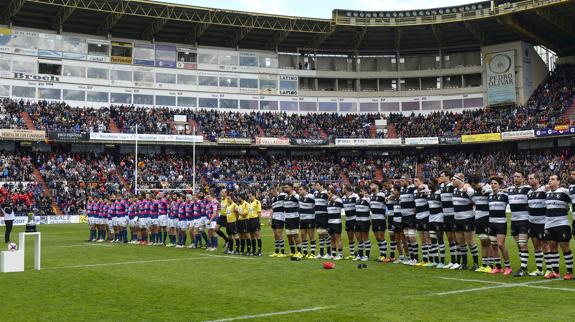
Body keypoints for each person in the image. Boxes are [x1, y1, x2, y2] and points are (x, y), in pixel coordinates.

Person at [543, 174, 573, 280]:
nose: (550, 181)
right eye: (549, 179)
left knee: (565, 248)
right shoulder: (546, 194)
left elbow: (571, 203)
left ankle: (570, 272)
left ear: (559, 181)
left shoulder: (564, 192)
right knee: (552, 247)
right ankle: (555, 272)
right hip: (549, 225)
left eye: (553, 179)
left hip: (561, 224)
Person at [452, 173, 479, 271]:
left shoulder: (469, 190)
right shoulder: (454, 190)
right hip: (457, 219)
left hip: (467, 219)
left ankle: (476, 263)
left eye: (454, 180)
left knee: (470, 241)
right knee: (461, 242)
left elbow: (477, 201)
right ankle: (464, 263)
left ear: (459, 180)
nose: (452, 182)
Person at [507, 171, 531, 277]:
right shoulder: (510, 189)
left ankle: (523, 268)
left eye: (518, 176)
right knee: (519, 245)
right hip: (514, 221)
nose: (515, 178)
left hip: (524, 220)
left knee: (522, 244)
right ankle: (524, 266)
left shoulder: (527, 189)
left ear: (523, 178)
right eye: (514, 176)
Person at [488, 176, 512, 275]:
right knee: (493, 245)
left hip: (501, 223)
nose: (493, 185)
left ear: (499, 185)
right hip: (491, 222)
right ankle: (498, 267)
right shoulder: (489, 195)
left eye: (495, 183)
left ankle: (508, 266)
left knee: (500, 244)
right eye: (492, 183)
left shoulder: (504, 195)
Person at [470, 175, 493, 272]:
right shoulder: (474, 191)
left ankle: (491, 265)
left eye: (474, 185)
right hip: (478, 218)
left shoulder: (487, 187)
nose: (473, 187)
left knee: (488, 241)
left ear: (479, 182)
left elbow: (490, 190)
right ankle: (484, 264)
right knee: (482, 242)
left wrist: (484, 187)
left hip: (486, 217)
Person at [527, 173, 546, 276]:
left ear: (537, 179)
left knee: (545, 246)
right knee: (536, 247)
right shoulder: (529, 192)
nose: (529, 180)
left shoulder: (544, 190)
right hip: (532, 223)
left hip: (542, 222)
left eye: (531, 178)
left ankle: (550, 268)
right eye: (528, 178)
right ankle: (539, 269)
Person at [438, 171, 457, 269]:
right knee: (450, 238)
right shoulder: (441, 187)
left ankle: (459, 261)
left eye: (442, 176)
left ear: (448, 177)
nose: (440, 177)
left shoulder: (452, 186)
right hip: (445, 216)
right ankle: (453, 261)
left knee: (456, 237)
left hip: (453, 215)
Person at [400, 176, 417, 265]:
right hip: (404, 217)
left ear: (408, 181)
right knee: (407, 238)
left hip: (411, 216)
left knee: (412, 237)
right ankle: (412, 257)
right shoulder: (402, 190)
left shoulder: (412, 189)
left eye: (403, 180)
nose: (401, 182)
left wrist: (416, 208)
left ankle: (416, 258)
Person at [427, 179, 445, 267]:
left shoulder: (440, 193)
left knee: (440, 239)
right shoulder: (429, 194)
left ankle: (442, 261)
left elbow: (444, 205)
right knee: (433, 240)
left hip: (439, 218)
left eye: (430, 183)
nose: (428, 185)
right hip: (431, 218)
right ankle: (435, 260)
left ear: (435, 184)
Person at [414, 177, 431, 266]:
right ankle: (425, 259)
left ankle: (430, 259)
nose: (415, 182)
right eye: (414, 181)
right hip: (418, 217)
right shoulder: (415, 192)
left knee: (427, 238)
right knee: (422, 239)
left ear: (421, 182)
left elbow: (429, 192)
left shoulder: (425, 189)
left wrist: (424, 187)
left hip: (425, 216)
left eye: (416, 181)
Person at [283, 183, 303, 259]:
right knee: (289, 236)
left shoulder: (296, 196)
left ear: (291, 188)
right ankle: (292, 252)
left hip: (294, 218)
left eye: (286, 187)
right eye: (284, 187)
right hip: (287, 218)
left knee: (295, 235)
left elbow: (301, 203)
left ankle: (299, 252)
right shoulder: (285, 197)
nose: (285, 188)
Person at [370, 181, 388, 263]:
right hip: (373, 219)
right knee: (377, 238)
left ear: (377, 186)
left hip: (380, 218)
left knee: (381, 237)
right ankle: (381, 254)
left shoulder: (382, 195)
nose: (370, 186)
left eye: (372, 185)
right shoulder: (372, 196)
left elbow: (387, 203)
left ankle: (383, 255)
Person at [353, 186, 371, 262]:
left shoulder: (367, 199)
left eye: (361, 191)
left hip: (365, 221)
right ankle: (360, 255)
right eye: (359, 192)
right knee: (359, 239)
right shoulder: (357, 200)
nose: (360, 193)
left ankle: (367, 255)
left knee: (366, 238)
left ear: (364, 191)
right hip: (357, 221)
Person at [298, 185, 316, 258]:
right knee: (303, 235)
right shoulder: (300, 198)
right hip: (302, 219)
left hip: (310, 219)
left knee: (311, 236)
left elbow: (316, 205)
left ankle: (312, 253)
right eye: (299, 189)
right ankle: (305, 253)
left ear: (305, 190)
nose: (299, 191)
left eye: (300, 189)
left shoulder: (311, 196)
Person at [342, 185, 359, 260]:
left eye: (343, 188)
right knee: (350, 237)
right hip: (348, 219)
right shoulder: (343, 197)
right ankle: (352, 253)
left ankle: (359, 253)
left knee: (358, 237)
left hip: (355, 219)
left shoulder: (355, 196)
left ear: (346, 189)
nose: (342, 190)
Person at [326, 187, 343, 260]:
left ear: (333, 193)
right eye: (327, 193)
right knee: (332, 239)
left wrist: (336, 201)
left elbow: (343, 206)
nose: (327, 194)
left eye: (329, 193)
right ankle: (333, 254)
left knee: (338, 238)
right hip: (330, 222)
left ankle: (340, 255)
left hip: (337, 222)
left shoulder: (338, 200)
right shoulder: (328, 201)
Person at [270, 187, 287, 257]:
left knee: (279, 234)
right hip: (274, 217)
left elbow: (288, 194)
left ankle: (282, 252)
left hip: (280, 217)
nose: (271, 194)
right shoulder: (273, 199)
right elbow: (272, 209)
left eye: (272, 193)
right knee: (275, 235)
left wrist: (279, 189)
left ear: (275, 191)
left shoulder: (282, 195)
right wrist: (270, 219)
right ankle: (276, 252)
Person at [313, 182, 329, 259]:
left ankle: (329, 252)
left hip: (324, 215)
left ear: (321, 185)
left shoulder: (326, 193)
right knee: (320, 234)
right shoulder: (315, 193)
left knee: (325, 234)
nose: (315, 186)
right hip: (317, 215)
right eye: (315, 185)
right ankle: (321, 252)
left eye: (317, 185)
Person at [247, 191, 262, 256]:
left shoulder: (257, 202)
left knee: (257, 235)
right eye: (249, 196)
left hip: (255, 220)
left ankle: (259, 251)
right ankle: (253, 250)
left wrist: (259, 221)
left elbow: (259, 213)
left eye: (250, 196)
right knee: (252, 236)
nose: (249, 197)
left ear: (254, 196)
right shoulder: (250, 203)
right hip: (249, 220)